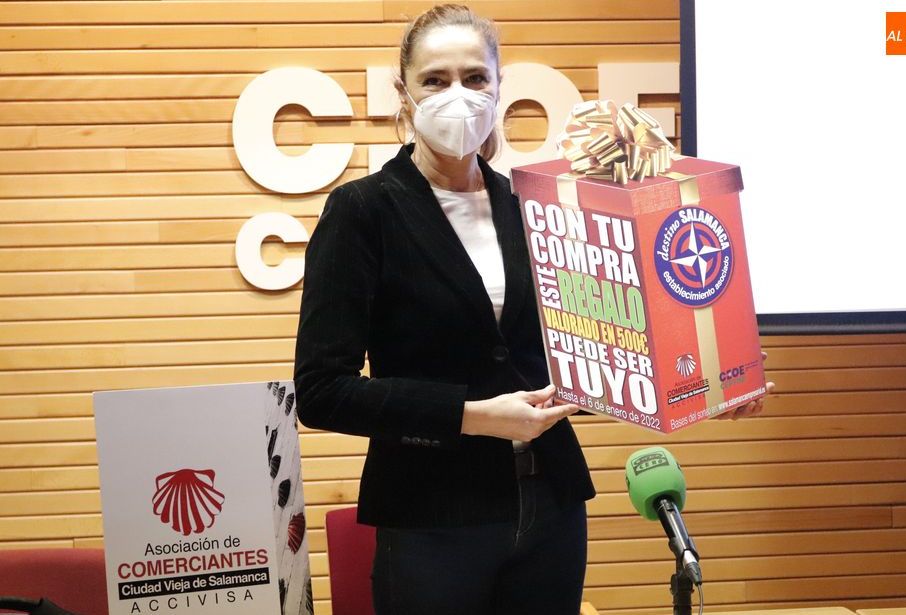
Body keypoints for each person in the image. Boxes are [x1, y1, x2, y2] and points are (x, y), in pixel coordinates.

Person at [293, 5, 773, 614]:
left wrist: (710, 381)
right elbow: (321, 390)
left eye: (475, 78)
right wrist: (472, 416)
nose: (458, 96)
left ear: (498, 90)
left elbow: (599, 337)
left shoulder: (532, 205)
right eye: (435, 80)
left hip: (551, 509)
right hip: (433, 519)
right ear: (404, 94)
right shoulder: (363, 212)